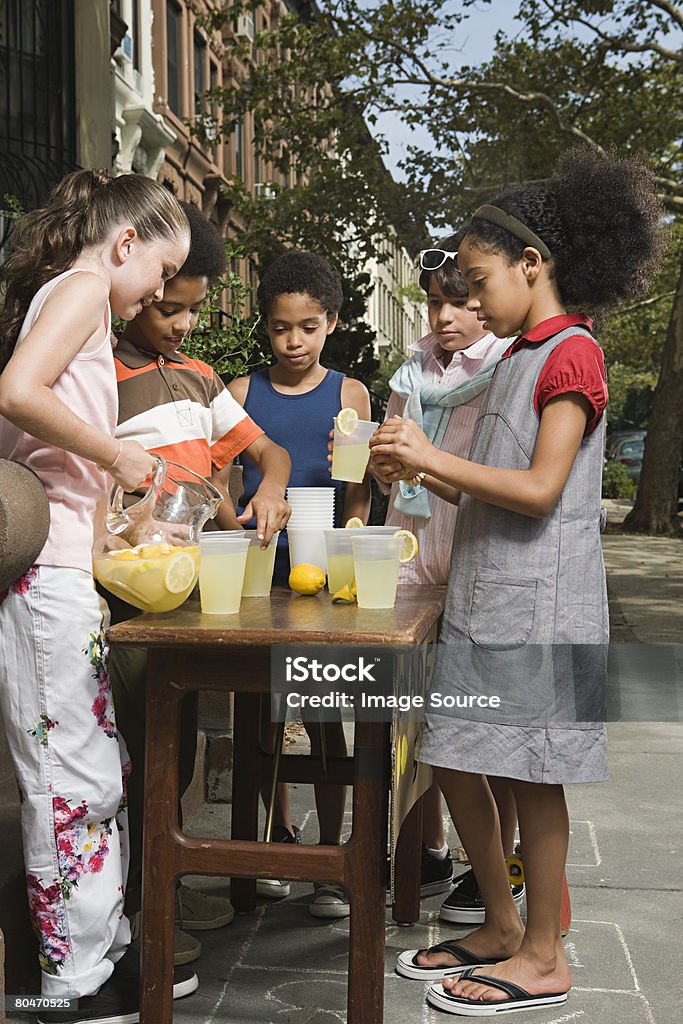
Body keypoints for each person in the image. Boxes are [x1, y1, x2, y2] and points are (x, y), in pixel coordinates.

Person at [371, 147, 663, 1015]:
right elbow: (483, 469)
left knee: (535, 778)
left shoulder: (571, 354)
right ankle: (499, 925)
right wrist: (412, 461)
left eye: (475, 278)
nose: (463, 298)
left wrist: (429, 457)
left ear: (531, 265)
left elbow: (539, 491)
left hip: (540, 607)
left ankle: (542, 954)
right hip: (485, 594)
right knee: (452, 753)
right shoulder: (515, 353)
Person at [0, 169, 198, 1024]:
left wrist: (112, 523)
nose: (157, 293)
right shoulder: (82, 287)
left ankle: (101, 950)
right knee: (69, 775)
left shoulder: (71, 293)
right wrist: (118, 458)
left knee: (94, 769)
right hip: (44, 582)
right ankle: (73, 982)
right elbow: (15, 392)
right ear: (124, 245)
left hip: (64, 573)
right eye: (158, 273)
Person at [108, 201, 291, 964]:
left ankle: (165, 888)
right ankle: (138, 910)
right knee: (134, 749)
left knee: (176, 748)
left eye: (194, 310)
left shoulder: (199, 376)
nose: (183, 324)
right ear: (140, 287)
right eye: (170, 307)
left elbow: (268, 454)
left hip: (191, 592)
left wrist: (264, 490)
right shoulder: (101, 375)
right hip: (125, 599)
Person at [369, 234, 521, 916]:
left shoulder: (505, 372)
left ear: (486, 303)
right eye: (433, 304)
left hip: (471, 555)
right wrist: (384, 464)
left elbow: (489, 481)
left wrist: (422, 460)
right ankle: (424, 851)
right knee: (412, 717)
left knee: (483, 724)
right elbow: (392, 459)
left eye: (459, 303)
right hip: (411, 556)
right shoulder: (411, 374)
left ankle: (494, 866)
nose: (444, 319)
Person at [228, 250, 372, 918]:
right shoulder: (239, 393)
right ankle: (275, 836)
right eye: (282, 327)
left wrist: (349, 549)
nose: (294, 340)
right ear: (265, 325)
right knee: (259, 710)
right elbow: (222, 483)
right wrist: (234, 522)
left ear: (331, 324)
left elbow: (358, 491)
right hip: (256, 574)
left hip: (321, 581)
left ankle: (330, 854)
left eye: (308, 327)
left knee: (321, 711)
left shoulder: (348, 396)